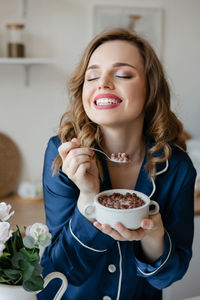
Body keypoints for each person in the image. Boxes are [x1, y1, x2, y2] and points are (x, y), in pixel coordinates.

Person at [38, 28, 196, 300]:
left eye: (122, 74)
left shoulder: (177, 167)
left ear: (150, 88)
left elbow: (170, 275)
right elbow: (60, 269)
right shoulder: (62, 153)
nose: (103, 83)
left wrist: (153, 236)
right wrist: (88, 197)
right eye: (92, 76)